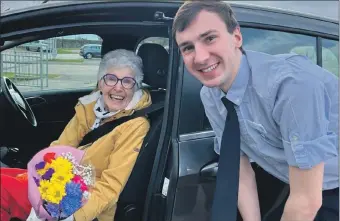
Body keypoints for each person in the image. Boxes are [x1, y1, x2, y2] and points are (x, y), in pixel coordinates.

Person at [173, 1, 339, 221]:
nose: (200, 57)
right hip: (291, 180)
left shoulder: (291, 87)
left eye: (210, 38)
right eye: (188, 48)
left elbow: (307, 200)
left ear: (237, 38)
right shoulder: (211, 96)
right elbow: (239, 168)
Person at [0, 49, 152, 221]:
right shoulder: (91, 107)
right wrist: (41, 175)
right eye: (111, 79)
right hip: (60, 182)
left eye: (127, 81)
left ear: (136, 86)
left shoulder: (135, 125)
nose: (118, 87)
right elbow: (61, 147)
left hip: (81, 200)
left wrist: (72, 216)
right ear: (101, 83)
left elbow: (110, 187)